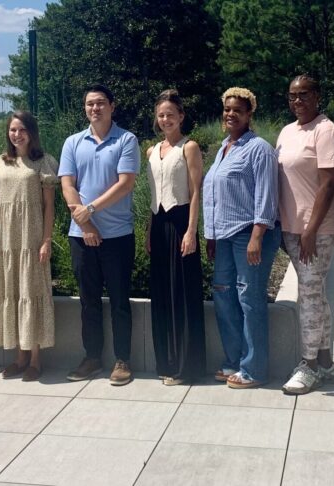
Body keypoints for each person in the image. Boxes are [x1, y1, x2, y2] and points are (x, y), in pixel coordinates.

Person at [58, 84, 140, 386]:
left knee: (119, 299)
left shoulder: (126, 140)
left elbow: (125, 184)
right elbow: (67, 184)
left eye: (101, 103)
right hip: (80, 236)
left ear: (112, 106)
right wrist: (85, 224)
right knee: (88, 299)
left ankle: (122, 360)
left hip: (117, 235)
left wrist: (89, 209)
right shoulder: (72, 143)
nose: (95, 108)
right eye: (90, 104)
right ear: (85, 109)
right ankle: (92, 357)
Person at [203, 87, 280, 389]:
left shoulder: (258, 148)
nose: (231, 114)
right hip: (223, 236)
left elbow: (266, 195)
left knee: (249, 298)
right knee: (224, 296)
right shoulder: (224, 147)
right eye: (227, 109)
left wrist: (257, 236)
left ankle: (255, 369)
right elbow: (214, 195)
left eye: (238, 110)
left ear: (249, 114)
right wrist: (210, 236)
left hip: (248, 233)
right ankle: (234, 360)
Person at [277, 74, 334, 395]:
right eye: (292, 96)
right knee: (315, 294)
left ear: (317, 96)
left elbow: (330, 183)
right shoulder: (288, 131)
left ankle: (307, 365)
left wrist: (310, 229)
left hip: (316, 229)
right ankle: (326, 362)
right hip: (292, 227)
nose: (297, 101)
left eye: (304, 95)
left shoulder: (326, 130)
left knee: (308, 296)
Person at [0, 111, 59, 381]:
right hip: (5, 239)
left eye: (22, 129)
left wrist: (46, 239)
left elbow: (50, 206)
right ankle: (19, 357)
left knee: (31, 290)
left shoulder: (43, 163)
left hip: (31, 237)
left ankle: (35, 359)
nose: (17, 134)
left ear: (32, 132)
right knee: (11, 291)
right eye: (13, 130)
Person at [146, 89, 206, 386]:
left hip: (182, 222)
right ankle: (166, 362)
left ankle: (187, 366)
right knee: (162, 295)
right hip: (158, 225)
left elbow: (196, 191)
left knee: (182, 294)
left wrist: (192, 231)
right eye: (161, 115)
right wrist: (148, 230)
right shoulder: (151, 151)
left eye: (171, 114)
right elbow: (153, 194)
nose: (166, 119)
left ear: (181, 116)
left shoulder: (189, 147)